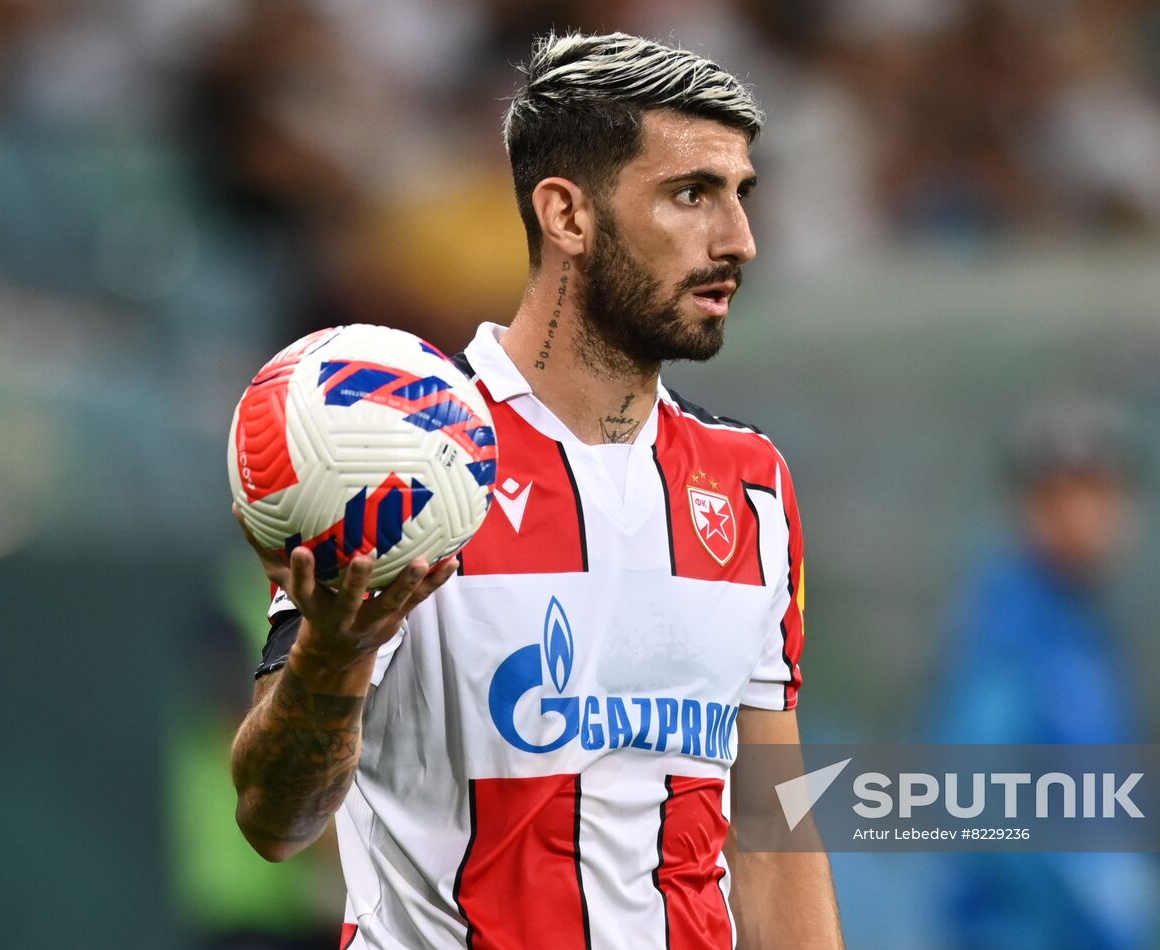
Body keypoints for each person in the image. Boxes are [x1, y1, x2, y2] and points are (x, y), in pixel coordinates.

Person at [229, 31, 843, 950]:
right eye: (691, 195)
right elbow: (274, 823)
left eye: (740, 196)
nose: (739, 241)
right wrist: (332, 653)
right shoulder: (400, 457)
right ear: (566, 215)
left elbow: (774, 832)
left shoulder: (751, 485)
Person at [921, 396, 1160, 950]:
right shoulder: (1010, 626)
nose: (1099, 511)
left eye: (1108, 490)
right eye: (1074, 491)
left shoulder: (1084, 625)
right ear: (1033, 505)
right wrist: (1089, 898)